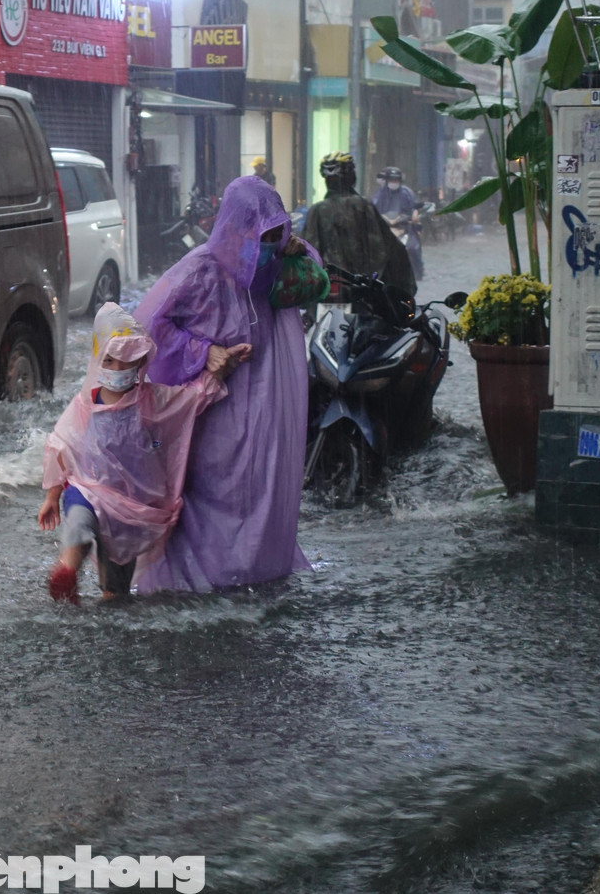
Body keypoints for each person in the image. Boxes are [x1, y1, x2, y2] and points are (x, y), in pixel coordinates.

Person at [129, 175, 319, 594]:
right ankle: (201, 580)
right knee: (211, 490)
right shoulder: (198, 271)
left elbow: (315, 276)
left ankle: (255, 571)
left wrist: (296, 248)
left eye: (275, 234)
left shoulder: (276, 272)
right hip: (213, 412)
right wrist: (202, 351)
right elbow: (144, 330)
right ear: (232, 227)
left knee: (262, 488)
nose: (265, 245)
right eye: (260, 234)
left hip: (266, 408)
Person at [38, 303, 250, 604]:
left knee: (117, 587)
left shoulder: (151, 401)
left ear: (141, 365)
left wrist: (223, 367)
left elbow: (191, 399)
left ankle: (110, 606)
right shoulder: (86, 403)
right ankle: (67, 572)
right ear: (99, 362)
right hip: (89, 487)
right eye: (109, 361)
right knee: (79, 525)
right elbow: (61, 445)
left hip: (131, 505)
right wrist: (52, 497)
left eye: (126, 363)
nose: (117, 370)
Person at [302, 152, 416, 298]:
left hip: (328, 289)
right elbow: (388, 249)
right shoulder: (364, 206)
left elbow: (308, 252)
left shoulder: (317, 210)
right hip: (363, 291)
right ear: (351, 177)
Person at [370, 165, 424, 282]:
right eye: (391, 180)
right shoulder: (380, 193)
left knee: (413, 248)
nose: (393, 182)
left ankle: (418, 271)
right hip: (385, 227)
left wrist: (413, 215)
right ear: (387, 181)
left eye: (396, 180)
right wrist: (384, 218)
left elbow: (413, 208)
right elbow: (374, 208)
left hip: (404, 227)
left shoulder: (407, 193)